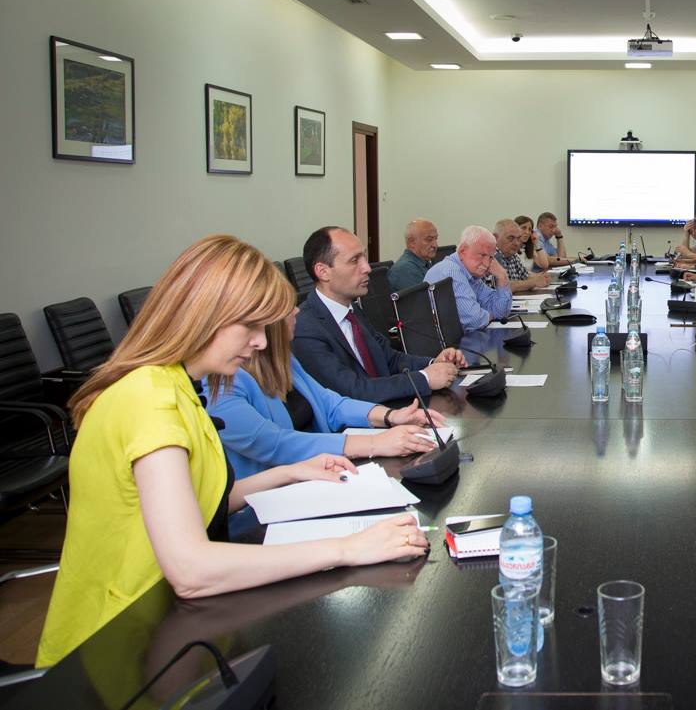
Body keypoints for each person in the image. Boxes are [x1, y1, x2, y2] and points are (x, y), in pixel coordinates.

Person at [36, 236, 430, 668]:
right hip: (114, 645)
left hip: (167, 624)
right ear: (205, 316)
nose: (261, 342)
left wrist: (290, 472)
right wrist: (348, 548)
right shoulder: (148, 399)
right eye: (251, 327)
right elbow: (192, 571)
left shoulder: (176, 386)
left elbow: (203, 502)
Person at [207, 307, 445, 480]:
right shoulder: (220, 382)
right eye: (288, 306)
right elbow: (274, 444)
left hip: (319, 479)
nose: (297, 310)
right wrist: (374, 443)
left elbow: (329, 403)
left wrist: (390, 416)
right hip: (264, 513)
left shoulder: (282, 359)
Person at [293, 226, 464, 402]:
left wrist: (433, 363)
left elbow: (389, 358)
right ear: (323, 271)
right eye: (354, 260)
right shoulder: (304, 327)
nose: (367, 268)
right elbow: (351, 390)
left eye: (364, 257)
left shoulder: (353, 310)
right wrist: (425, 378)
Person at [423, 225, 513, 330]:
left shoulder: (470, 273)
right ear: (462, 251)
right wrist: (491, 315)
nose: (487, 263)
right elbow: (474, 320)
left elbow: (501, 312)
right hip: (443, 340)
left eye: (490, 257)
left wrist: (502, 276)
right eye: (482, 255)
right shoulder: (452, 272)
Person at [493, 218, 549, 292]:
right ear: (495, 238)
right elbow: (503, 286)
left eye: (518, 238)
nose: (516, 243)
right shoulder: (492, 256)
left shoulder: (512, 255)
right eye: (511, 238)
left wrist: (542, 278)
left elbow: (525, 275)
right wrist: (533, 282)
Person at [388, 218, 440, 292]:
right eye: (429, 240)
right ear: (412, 242)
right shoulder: (405, 269)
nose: (435, 245)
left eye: (436, 239)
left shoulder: (424, 262)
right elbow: (427, 298)